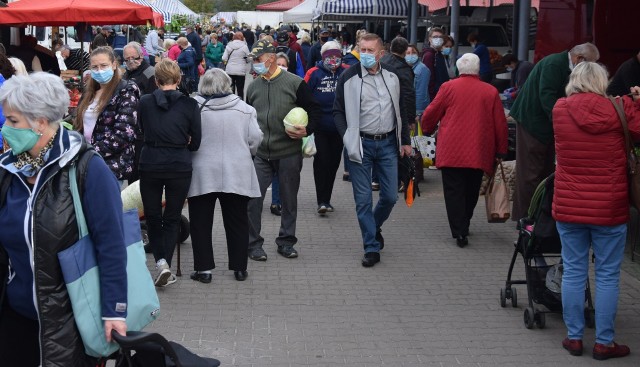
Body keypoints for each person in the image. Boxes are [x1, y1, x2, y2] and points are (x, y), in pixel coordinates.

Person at [0, 72, 127, 366]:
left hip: (70, 322)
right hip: (15, 320)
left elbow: (111, 245)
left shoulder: (86, 168)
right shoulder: (9, 171)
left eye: (13, 121)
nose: (5, 128)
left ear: (41, 121)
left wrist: (114, 310)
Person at [552, 61, 640, 360]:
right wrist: (636, 102)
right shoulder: (620, 108)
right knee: (607, 275)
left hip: (569, 204)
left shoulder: (560, 109)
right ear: (603, 81)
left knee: (574, 271)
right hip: (609, 206)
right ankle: (605, 342)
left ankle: (574, 338)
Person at [333, 33, 412, 267]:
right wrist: (347, 137)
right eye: (362, 50)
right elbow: (337, 111)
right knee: (363, 199)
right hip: (360, 144)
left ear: (381, 53)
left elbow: (401, 110)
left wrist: (405, 141)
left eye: (370, 51)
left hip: (388, 143)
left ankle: (374, 226)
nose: (365, 54)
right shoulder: (349, 77)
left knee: (389, 196)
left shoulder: (393, 76)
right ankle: (370, 246)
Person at [421, 53, 508, 247]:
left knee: (453, 191)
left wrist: (426, 129)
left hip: (451, 149)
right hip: (479, 150)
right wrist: (501, 150)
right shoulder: (490, 91)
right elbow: (500, 124)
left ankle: (459, 231)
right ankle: (465, 222)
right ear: (477, 69)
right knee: (472, 189)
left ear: (459, 69)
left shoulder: (448, 87)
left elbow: (431, 112)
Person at [245, 39, 320, 261]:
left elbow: (315, 111)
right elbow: (248, 116)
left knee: (289, 199)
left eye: (257, 60)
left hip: (288, 152)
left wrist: (306, 130)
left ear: (270, 59)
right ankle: (253, 244)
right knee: (253, 199)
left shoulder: (294, 83)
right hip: (260, 154)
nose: (254, 65)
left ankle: (286, 242)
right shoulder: (253, 87)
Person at [510, 43, 599, 221]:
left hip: (545, 124)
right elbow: (547, 97)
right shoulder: (554, 64)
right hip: (531, 122)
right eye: (590, 64)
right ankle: (524, 217)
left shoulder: (566, 66)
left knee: (545, 171)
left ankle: (539, 216)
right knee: (530, 173)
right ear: (579, 59)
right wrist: (565, 123)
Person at [188, 69, 263, 284]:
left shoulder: (195, 108)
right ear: (228, 84)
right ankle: (239, 268)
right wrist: (247, 152)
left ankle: (204, 270)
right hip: (237, 170)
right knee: (238, 221)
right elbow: (255, 138)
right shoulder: (245, 109)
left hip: (202, 171)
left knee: (201, 222)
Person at [137, 59, 202, 287]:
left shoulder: (144, 102)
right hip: (179, 164)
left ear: (156, 80)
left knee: (153, 216)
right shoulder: (190, 105)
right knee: (172, 217)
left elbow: (142, 130)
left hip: (151, 163)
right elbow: (196, 142)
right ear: (179, 79)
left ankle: (161, 263)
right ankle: (165, 264)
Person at [74, 47, 139, 183]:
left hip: (110, 166)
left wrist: (89, 152)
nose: (99, 71)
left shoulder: (126, 90)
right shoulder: (89, 93)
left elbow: (123, 134)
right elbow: (78, 124)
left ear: (114, 65)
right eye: (95, 67)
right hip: (85, 163)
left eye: (104, 66)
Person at [304, 41, 347, 214]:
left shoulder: (346, 71)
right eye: (329, 56)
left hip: (340, 127)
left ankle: (327, 198)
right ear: (323, 57)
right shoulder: (313, 73)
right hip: (320, 126)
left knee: (334, 164)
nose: (333, 59)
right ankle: (321, 200)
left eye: (337, 55)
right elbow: (303, 95)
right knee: (322, 161)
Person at [122, 42, 157, 184]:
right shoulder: (127, 73)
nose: (130, 61)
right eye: (127, 59)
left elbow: (153, 100)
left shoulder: (150, 72)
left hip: (142, 129)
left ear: (141, 56)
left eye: (133, 57)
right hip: (130, 127)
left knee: (138, 170)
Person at [380, 37, 416, 131]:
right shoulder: (404, 69)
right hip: (396, 112)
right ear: (405, 51)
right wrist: (410, 119)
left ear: (391, 48)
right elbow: (408, 94)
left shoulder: (381, 61)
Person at [421, 27, 449, 100]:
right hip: (434, 96)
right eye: (435, 37)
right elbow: (429, 79)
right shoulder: (429, 55)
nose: (438, 39)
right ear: (430, 39)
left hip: (441, 94)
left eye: (440, 37)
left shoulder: (439, 54)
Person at [222, 32, 250, 100]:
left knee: (231, 89)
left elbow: (224, 58)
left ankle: (231, 102)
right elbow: (249, 58)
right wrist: (245, 60)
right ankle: (240, 104)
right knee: (240, 89)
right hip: (241, 71)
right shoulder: (244, 46)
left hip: (230, 70)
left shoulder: (229, 46)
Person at [405, 44, 430, 119]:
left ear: (418, 54)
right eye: (408, 53)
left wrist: (418, 112)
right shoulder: (406, 67)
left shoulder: (422, 69)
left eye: (413, 53)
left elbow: (421, 93)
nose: (411, 55)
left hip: (417, 111)